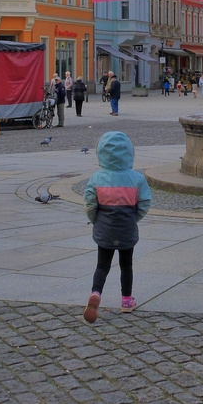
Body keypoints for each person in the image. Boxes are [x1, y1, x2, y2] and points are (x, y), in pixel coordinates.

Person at [81, 131, 150, 323]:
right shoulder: (137, 179)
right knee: (126, 265)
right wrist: (134, 218)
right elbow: (145, 202)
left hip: (105, 228)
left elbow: (89, 203)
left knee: (102, 265)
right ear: (129, 153)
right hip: (127, 227)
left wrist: (95, 219)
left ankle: (96, 293)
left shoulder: (97, 178)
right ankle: (127, 300)